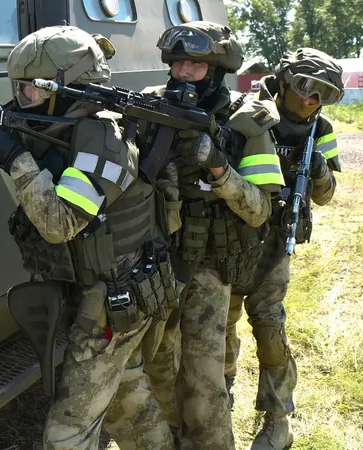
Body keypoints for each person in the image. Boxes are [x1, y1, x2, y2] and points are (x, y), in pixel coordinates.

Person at [0, 25, 184, 450]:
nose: (23, 96)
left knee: (66, 433)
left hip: (117, 300)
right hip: (97, 291)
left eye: (31, 88)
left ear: (67, 88)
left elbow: (60, 223)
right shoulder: (60, 121)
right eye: (19, 87)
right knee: (128, 402)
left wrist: (13, 157)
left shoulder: (105, 138)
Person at [128, 21, 286, 450]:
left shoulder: (245, 122)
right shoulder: (148, 107)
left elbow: (259, 210)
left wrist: (219, 169)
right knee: (158, 366)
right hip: (156, 260)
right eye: (178, 62)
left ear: (216, 70)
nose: (183, 72)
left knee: (203, 380)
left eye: (195, 65)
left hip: (209, 266)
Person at [224, 47, 344, 450]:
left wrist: (319, 170)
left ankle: (278, 420)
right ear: (286, 80)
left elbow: (327, 196)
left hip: (278, 240)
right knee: (222, 322)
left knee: (270, 327)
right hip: (232, 236)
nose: (312, 100)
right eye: (307, 87)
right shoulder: (249, 114)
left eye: (324, 94)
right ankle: (219, 397)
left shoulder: (320, 128)